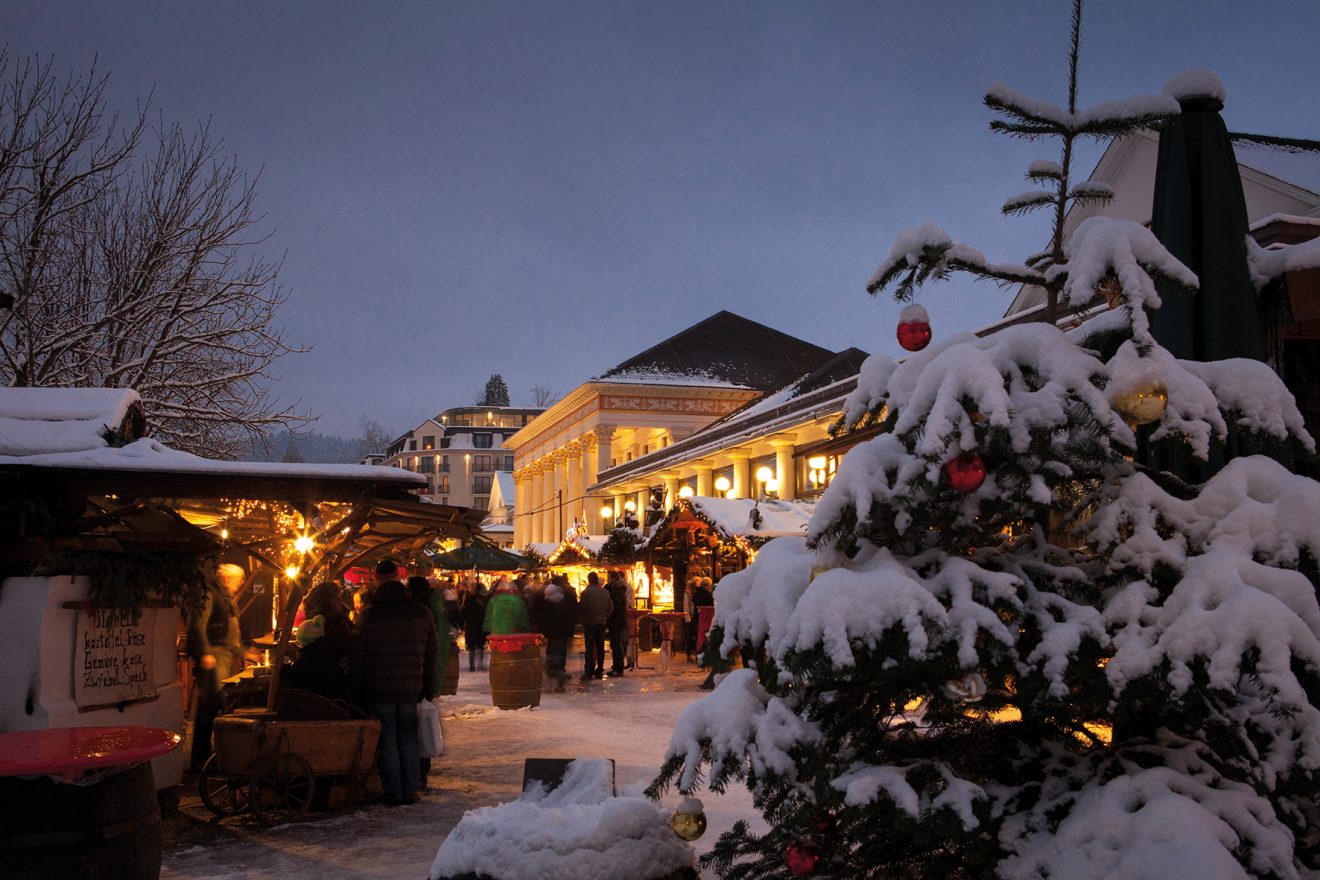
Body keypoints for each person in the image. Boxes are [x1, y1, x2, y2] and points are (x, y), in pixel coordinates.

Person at [350, 559, 437, 806]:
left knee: (387, 737)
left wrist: (356, 689)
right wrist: (428, 686)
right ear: (400, 578)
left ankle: (394, 791)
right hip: (411, 688)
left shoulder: (368, 616)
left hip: (379, 689)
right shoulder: (421, 612)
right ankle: (410, 788)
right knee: (409, 737)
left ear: (377, 580)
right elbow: (432, 654)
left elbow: (358, 657)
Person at [187, 562, 251, 773]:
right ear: (227, 578)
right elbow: (197, 623)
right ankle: (200, 761)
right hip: (214, 656)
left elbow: (231, 634)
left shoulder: (224, 597)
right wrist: (205, 652)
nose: (240, 584)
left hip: (224, 656)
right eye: (238, 580)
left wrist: (243, 652)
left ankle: (211, 756)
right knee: (209, 707)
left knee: (216, 706)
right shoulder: (209, 594)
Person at [282, 582, 354, 702]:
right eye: (338, 598)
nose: (340, 602)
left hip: (326, 699)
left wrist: (282, 668)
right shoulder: (341, 625)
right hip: (342, 694)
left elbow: (301, 671)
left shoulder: (326, 631)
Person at [538, 574, 579, 691]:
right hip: (565, 631)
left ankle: (554, 674)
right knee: (561, 653)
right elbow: (575, 611)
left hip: (553, 632)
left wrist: (543, 629)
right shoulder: (569, 595)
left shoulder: (547, 598)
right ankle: (559, 673)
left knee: (552, 653)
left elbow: (543, 616)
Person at [578, 571, 612, 681]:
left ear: (589, 580)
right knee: (600, 647)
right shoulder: (605, 592)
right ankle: (600, 670)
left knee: (589, 647)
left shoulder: (586, 593)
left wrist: (582, 619)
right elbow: (611, 607)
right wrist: (605, 617)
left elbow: (582, 607)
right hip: (601, 622)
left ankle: (589, 671)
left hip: (589, 623)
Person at [605, 571, 629, 677]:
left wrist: (609, 616)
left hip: (616, 622)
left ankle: (618, 669)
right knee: (616, 645)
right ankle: (617, 667)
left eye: (608, 578)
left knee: (616, 645)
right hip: (619, 621)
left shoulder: (616, 592)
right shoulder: (618, 590)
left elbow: (615, 608)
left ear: (613, 579)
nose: (607, 580)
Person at [461, 581, 489, 671]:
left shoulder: (470, 598)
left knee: (471, 647)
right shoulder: (485, 599)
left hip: (471, 625)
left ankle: (471, 665)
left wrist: (461, 625)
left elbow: (464, 613)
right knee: (480, 646)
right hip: (481, 625)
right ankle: (480, 663)